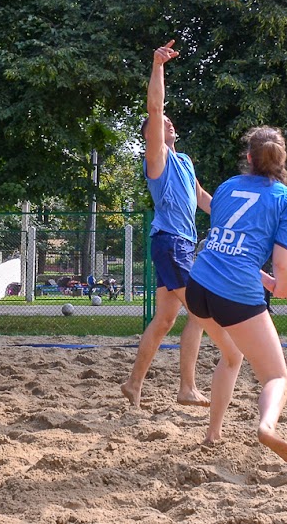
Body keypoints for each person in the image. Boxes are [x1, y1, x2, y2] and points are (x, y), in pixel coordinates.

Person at [185, 126, 287, 464]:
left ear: (249, 158)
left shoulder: (227, 188)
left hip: (199, 288)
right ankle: (267, 427)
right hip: (234, 295)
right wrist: (280, 287)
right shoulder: (286, 198)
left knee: (232, 356)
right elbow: (282, 262)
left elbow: (231, 251)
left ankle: (212, 434)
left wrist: (271, 285)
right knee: (277, 376)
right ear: (281, 160)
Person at [121, 40, 212, 408]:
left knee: (163, 322)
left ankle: (133, 384)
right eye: (160, 123)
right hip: (171, 242)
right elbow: (155, 106)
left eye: (170, 121)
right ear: (151, 135)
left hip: (181, 244)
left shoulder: (185, 161)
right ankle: (187, 388)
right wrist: (158, 64)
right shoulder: (155, 159)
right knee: (202, 313)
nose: (168, 122)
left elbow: (204, 199)